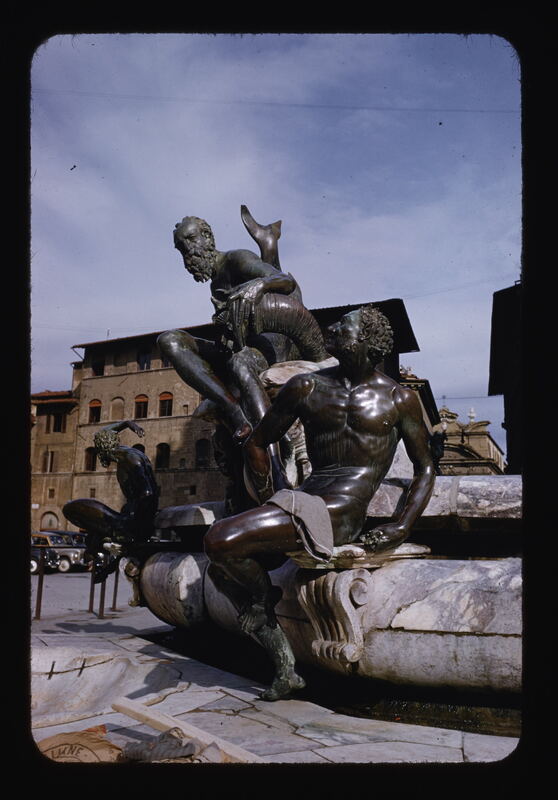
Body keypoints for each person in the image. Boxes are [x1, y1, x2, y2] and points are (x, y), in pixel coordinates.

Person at [203, 304, 436, 700]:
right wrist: (270, 495)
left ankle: (264, 598)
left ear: (366, 342)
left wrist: (401, 525)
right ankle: (285, 667)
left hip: (341, 512)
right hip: (300, 502)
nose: (333, 328)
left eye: (344, 326)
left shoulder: (400, 399)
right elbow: (258, 442)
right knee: (220, 571)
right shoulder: (306, 387)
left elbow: (426, 468)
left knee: (218, 541)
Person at [157, 210, 330, 509]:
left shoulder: (235, 259)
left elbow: (284, 281)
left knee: (240, 364)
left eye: (190, 241)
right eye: (181, 248)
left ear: (208, 237)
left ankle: (275, 468)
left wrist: (256, 286)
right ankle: (234, 412)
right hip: (243, 345)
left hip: (271, 342)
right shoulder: (215, 280)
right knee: (170, 341)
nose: (187, 252)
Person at [63, 420, 159, 583]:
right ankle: (97, 554)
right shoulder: (131, 454)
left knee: (71, 509)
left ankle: (98, 553)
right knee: (93, 523)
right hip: (135, 517)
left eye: (97, 450)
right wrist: (131, 425)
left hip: (133, 522)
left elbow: (147, 493)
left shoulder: (129, 459)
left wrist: (132, 525)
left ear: (102, 448)